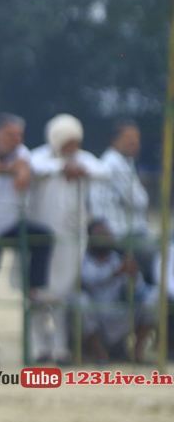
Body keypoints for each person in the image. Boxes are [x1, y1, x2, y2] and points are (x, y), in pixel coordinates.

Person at [0, 113, 53, 365]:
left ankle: (34, 287)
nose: (17, 140)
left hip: (10, 224)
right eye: (12, 135)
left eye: (19, 136)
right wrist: (12, 169)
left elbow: (27, 163)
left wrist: (22, 167)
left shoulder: (21, 153)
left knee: (44, 237)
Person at [26, 114, 108, 364]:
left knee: (62, 295)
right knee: (36, 293)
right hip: (40, 238)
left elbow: (103, 170)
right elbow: (34, 167)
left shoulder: (83, 159)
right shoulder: (40, 157)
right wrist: (61, 168)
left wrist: (80, 169)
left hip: (70, 238)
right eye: (68, 142)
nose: (73, 147)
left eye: (76, 141)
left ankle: (61, 349)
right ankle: (40, 348)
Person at [91, 119, 155, 283]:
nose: (135, 143)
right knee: (159, 255)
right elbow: (139, 200)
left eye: (137, 138)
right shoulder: (113, 163)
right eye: (130, 139)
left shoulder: (125, 162)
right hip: (120, 235)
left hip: (130, 232)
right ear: (115, 141)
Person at [78, 219, 151, 364]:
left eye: (107, 235)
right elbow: (89, 279)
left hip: (119, 315)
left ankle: (136, 353)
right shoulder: (83, 261)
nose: (104, 239)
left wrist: (133, 274)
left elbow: (139, 288)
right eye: (99, 235)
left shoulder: (119, 259)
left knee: (153, 297)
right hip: (95, 317)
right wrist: (117, 272)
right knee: (79, 301)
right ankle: (101, 354)